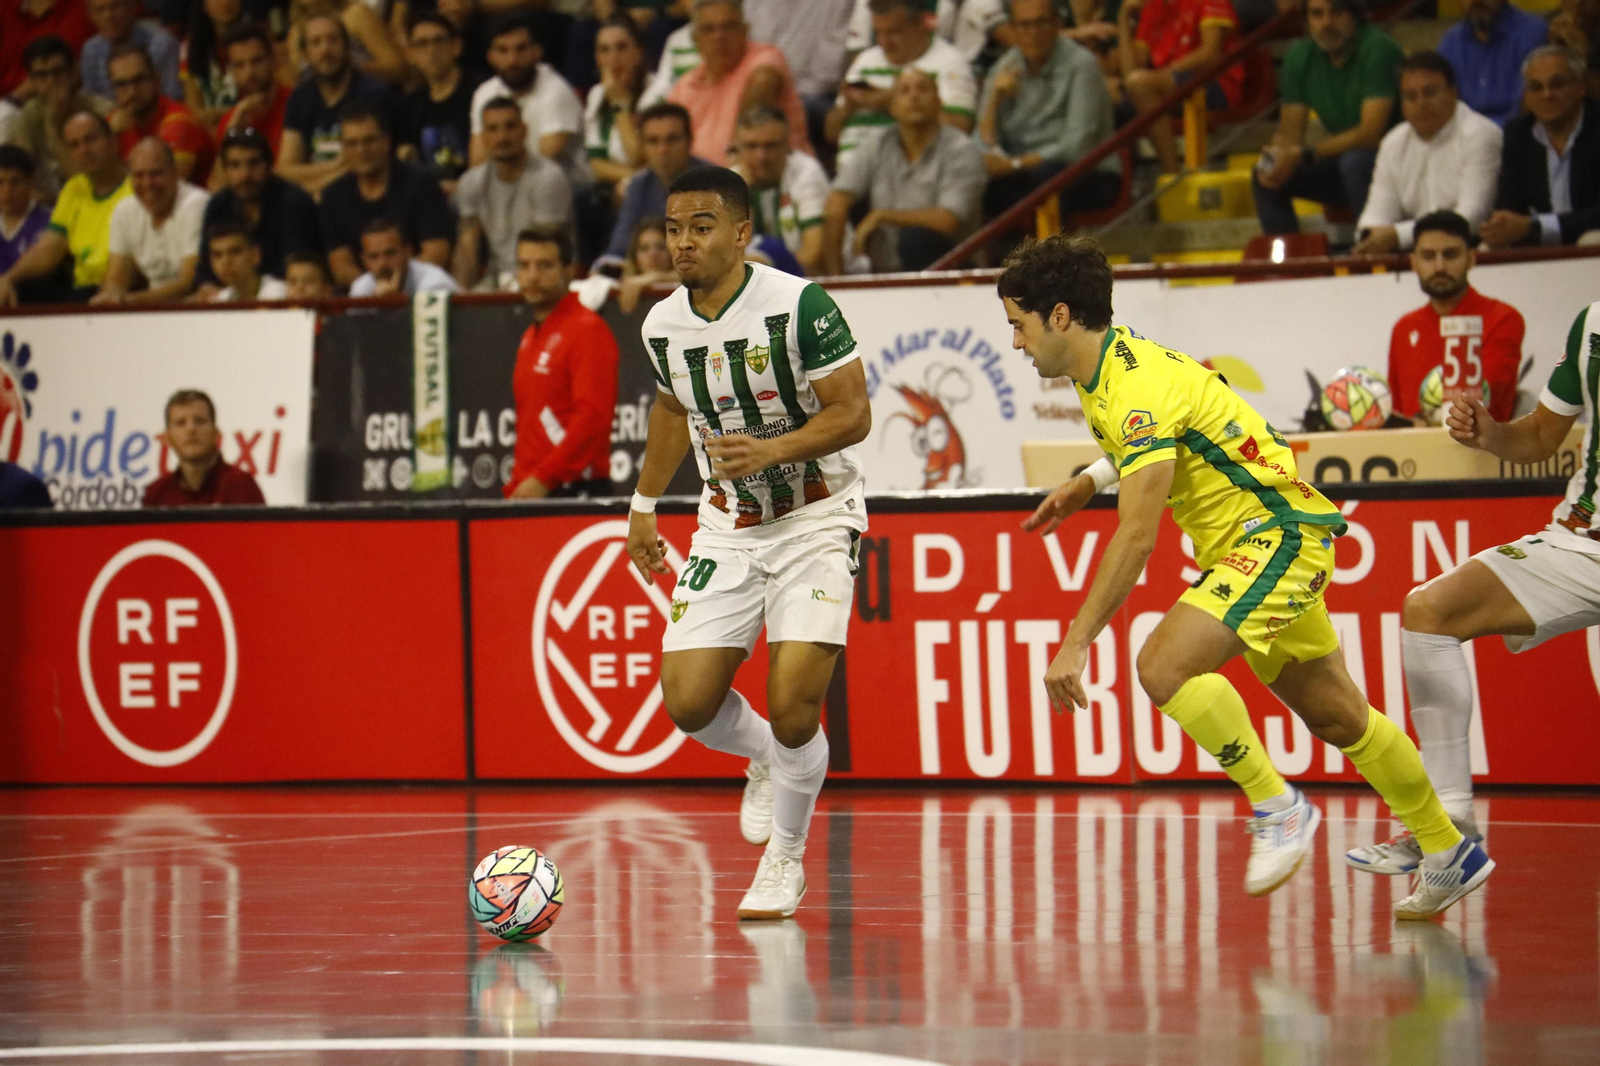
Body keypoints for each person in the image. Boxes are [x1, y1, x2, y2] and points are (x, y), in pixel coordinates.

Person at [1003, 232, 1492, 918]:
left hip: (1276, 537)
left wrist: (1076, 641)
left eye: (1019, 326)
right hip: (1258, 543)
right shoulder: (1111, 368)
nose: (1017, 344)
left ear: (1059, 316)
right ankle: (1449, 851)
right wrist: (1090, 479)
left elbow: (1139, 533)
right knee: (1338, 714)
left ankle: (1277, 808)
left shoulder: (1133, 384)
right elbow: (1174, 427)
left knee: (1162, 666)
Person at [628, 165, 870, 922]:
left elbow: (854, 413)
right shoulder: (660, 324)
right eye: (672, 228)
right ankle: (765, 761)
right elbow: (672, 408)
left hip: (816, 518)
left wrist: (772, 450)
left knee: (796, 706)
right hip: (727, 524)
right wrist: (641, 504)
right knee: (689, 703)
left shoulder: (800, 304)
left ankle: (786, 861)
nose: (682, 242)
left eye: (700, 226)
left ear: (741, 233)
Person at [1347, 299, 1600, 876]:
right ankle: (1447, 829)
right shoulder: (1593, 324)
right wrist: (1491, 434)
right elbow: (1539, 436)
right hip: (1581, 543)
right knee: (1429, 610)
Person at [1253, 0, 1402, 235]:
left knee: (1354, 162)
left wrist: (1305, 154)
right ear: (1307, 20)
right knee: (1264, 170)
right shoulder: (1300, 55)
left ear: (1354, 15)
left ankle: (1375, 253)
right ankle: (1288, 266)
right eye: (1317, 14)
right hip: (1344, 164)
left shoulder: (1377, 48)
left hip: (1394, 163)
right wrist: (1280, 154)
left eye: (1336, 12)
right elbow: (1290, 133)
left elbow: (1371, 134)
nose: (1326, 23)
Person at [823, 68, 986, 273]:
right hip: (884, 271)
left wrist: (882, 216)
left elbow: (948, 221)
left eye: (922, 89)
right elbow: (836, 202)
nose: (914, 96)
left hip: (952, 268)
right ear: (892, 107)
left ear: (939, 103)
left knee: (916, 238)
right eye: (904, 91)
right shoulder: (876, 144)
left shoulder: (961, 149)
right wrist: (836, 278)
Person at [976, 0, 1119, 225]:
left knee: (1046, 179)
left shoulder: (1082, 65)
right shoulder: (1003, 68)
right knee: (973, 184)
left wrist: (1017, 164)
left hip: (1086, 172)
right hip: (1022, 172)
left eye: (1040, 23)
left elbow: (1076, 145)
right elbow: (981, 144)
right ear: (1013, 29)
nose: (1032, 33)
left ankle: (1053, 258)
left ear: (1057, 24)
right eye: (1023, 25)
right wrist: (995, 99)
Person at [504, 225, 619, 499]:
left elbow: (593, 419)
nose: (533, 276)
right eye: (525, 265)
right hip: (534, 488)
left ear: (569, 271)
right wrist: (519, 484)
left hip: (572, 490)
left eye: (544, 265)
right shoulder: (531, 336)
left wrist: (542, 479)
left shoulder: (587, 330)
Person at [1351, 52, 1502, 255]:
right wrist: (1369, 237)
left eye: (1430, 93)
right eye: (1410, 96)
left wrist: (1397, 236)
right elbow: (1373, 218)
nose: (1421, 103)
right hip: (1418, 254)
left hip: (1475, 251)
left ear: (1453, 93)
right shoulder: (1394, 142)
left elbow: (1470, 219)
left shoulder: (1480, 134)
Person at [1384, 211, 1523, 425]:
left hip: (1481, 450)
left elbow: (1488, 399)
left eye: (1450, 255)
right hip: (1414, 452)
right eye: (1428, 256)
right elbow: (1397, 409)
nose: (1439, 267)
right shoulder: (1404, 327)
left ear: (1470, 258)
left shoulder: (1502, 318)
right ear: (1413, 263)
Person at [0, 111, 132, 306]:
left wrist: (111, 288)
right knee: (20, 290)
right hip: (80, 290)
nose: (84, 150)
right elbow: (49, 248)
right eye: (74, 145)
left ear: (112, 142)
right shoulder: (74, 187)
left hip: (123, 288)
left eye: (91, 139)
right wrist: (8, 279)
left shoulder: (137, 187)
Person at [318, 103, 454, 288]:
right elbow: (341, 266)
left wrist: (397, 287)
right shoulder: (333, 196)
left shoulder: (420, 183)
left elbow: (436, 253)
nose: (361, 151)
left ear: (386, 142)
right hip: (361, 299)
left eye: (369, 141)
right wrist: (374, 291)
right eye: (352, 143)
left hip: (419, 291)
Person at [826, 0, 976, 163]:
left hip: (909, 173)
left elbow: (960, 127)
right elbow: (831, 133)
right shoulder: (866, 60)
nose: (884, 43)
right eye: (878, 33)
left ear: (921, 25)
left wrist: (889, 101)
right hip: (850, 172)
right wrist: (847, 109)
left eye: (893, 33)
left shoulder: (949, 62)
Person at [1481, 46, 1599, 248]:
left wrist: (1535, 226)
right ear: (1526, 96)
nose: (1547, 95)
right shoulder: (1519, 134)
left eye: (1557, 84)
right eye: (1536, 87)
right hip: (1541, 240)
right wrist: (1500, 225)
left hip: (1589, 236)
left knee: (1590, 241)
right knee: (1488, 247)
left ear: (1580, 88)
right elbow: (1509, 204)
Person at [668, 0, 811, 165]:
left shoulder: (765, 58)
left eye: (728, 27)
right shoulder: (685, 85)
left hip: (770, 178)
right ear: (696, 39)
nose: (719, 36)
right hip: (700, 182)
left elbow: (760, 92)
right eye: (709, 29)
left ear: (745, 31)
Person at [454, 96, 573, 291]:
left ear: (524, 131)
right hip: (494, 282)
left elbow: (543, 248)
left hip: (542, 281)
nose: (502, 137)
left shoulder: (548, 177)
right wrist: (460, 295)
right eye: (493, 129)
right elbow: (467, 248)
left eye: (509, 127)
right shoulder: (471, 182)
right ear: (483, 137)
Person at [1115, 0, 1244, 175]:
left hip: (1214, 82)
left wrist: (1162, 74)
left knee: (1140, 84)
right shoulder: (1153, 6)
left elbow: (1211, 54)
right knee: (1115, 89)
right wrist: (1123, 17)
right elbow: (1130, 72)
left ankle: (1171, 172)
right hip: (1171, 83)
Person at [279, 12, 397, 195]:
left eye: (333, 40)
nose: (325, 50)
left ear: (347, 46)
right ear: (306, 54)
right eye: (316, 42)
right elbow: (285, 170)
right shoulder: (300, 97)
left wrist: (311, 190)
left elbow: (367, 165)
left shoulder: (373, 94)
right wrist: (336, 166)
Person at [469, 13, 588, 190]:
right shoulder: (485, 94)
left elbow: (546, 161)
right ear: (491, 57)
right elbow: (478, 161)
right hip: (509, 184)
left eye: (521, 49)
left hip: (565, 187)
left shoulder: (556, 92)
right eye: (503, 50)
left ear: (537, 52)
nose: (512, 60)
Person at [195, 126, 322, 291]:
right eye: (235, 165)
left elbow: (294, 270)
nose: (245, 175)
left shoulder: (294, 204)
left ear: (269, 166)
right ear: (225, 170)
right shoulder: (218, 206)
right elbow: (205, 270)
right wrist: (208, 287)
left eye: (253, 164)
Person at [94, 137, 208, 303]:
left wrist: (127, 301)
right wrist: (109, 297)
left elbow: (189, 283)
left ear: (175, 173)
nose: (147, 184)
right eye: (139, 175)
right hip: (151, 311)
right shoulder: (124, 210)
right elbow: (116, 278)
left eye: (156, 174)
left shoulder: (196, 204)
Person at [6, 36, 115, 198]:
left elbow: (90, 183)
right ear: (31, 81)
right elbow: (17, 178)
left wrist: (52, 128)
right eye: (42, 75)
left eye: (58, 72)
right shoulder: (28, 116)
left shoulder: (101, 111)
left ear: (74, 72)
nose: (51, 81)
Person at [603, 101, 709, 264]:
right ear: (643, 147)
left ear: (690, 141)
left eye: (672, 139)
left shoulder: (715, 183)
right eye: (653, 141)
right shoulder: (639, 185)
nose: (663, 150)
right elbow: (617, 251)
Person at [731, 106, 828, 275]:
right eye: (751, 146)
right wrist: (742, 198)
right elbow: (725, 255)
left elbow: (814, 255)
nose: (761, 156)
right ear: (737, 148)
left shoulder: (806, 173)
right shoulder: (733, 181)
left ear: (787, 145)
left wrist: (768, 262)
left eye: (771, 146)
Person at [397, 12, 484, 192]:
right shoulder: (410, 105)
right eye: (422, 43)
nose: (431, 50)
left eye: (439, 41)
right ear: (410, 55)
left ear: (457, 46)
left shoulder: (482, 92)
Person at [108, 43, 215, 185]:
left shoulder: (179, 123)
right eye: (121, 84)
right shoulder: (114, 123)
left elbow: (163, 189)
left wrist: (109, 149)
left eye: (139, 80)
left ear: (156, 80)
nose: (132, 92)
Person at [143, 388, 266, 506]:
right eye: (181, 423)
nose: (191, 429)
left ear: (216, 433)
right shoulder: (156, 494)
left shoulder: (241, 486)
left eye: (199, 421)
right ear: (167, 437)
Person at [1437, 0, 1547, 127]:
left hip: (1514, 137)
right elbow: (1443, 106)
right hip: (1463, 138)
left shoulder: (1532, 35)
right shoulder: (1451, 42)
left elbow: (1529, 107)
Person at [586, 16, 649, 199]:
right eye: (604, 50)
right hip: (618, 183)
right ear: (597, 59)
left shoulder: (658, 92)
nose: (613, 57)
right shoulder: (597, 94)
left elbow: (638, 156)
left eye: (621, 47)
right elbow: (597, 162)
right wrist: (634, 176)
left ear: (638, 53)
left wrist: (619, 105)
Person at [213, 25, 292, 160]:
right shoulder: (231, 120)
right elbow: (217, 180)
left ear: (273, 60)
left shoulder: (298, 103)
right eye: (239, 65)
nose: (249, 72)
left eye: (257, 61)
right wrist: (233, 131)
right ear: (231, 71)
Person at [81, 0, 182, 102]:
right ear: (91, 15)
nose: (109, 16)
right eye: (100, 10)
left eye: (116, 7)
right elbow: (92, 101)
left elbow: (173, 98)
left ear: (131, 7)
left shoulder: (162, 44)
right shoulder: (91, 50)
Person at [180, 0, 251, 131]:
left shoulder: (254, 43)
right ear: (204, 4)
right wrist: (231, 112)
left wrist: (216, 114)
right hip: (207, 131)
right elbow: (195, 113)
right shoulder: (189, 49)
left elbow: (256, 106)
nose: (226, 3)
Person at [0, 0, 95, 98]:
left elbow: (55, 75)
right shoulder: (6, 6)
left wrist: (11, 101)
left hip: (42, 102)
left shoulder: (80, 10)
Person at [348, 217, 459, 295]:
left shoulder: (434, 283)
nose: (383, 263)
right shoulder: (361, 289)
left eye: (390, 253)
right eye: (373, 257)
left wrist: (393, 302)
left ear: (408, 252)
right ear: (364, 260)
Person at [0, 146, 54, 275]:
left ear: (30, 183)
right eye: (0, 182)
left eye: (15, 182)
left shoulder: (50, 222)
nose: (7, 192)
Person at [204, 218, 287, 300]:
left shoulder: (282, 295)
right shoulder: (219, 302)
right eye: (217, 255)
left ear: (255, 255)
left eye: (235, 252)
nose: (225, 261)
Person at [617, 213, 675, 312]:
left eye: (661, 247)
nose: (653, 254)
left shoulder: (688, 287)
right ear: (635, 257)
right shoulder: (620, 286)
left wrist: (656, 277)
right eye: (644, 248)